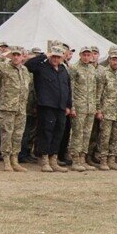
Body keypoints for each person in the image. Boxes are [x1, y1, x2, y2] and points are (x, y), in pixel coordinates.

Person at [25, 44, 73, 173]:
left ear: (62, 58)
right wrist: (44, 55)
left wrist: (69, 105)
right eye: (54, 56)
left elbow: (67, 88)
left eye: (58, 57)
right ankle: (44, 159)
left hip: (61, 107)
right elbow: (28, 65)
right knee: (46, 133)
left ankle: (54, 159)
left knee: (59, 133)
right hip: (46, 106)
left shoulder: (63, 70)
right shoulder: (41, 67)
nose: (55, 59)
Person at [0, 46, 31, 172]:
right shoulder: (4, 67)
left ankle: (14, 160)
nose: (16, 57)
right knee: (7, 134)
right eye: (14, 55)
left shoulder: (25, 70)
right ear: (11, 56)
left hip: (21, 108)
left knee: (18, 135)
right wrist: (2, 56)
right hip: (7, 108)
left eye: (18, 55)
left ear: (23, 57)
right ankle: (6, 160)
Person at [96, 49, 117, 171]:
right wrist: (98, 110)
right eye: (113, 59)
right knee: (105, 137)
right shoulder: (104, 73)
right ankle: (103, 160)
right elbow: (98, 93)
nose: (115, 62)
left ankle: (112, 160)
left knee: (116, 138)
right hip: (107, 112)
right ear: (109, 60)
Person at [68, 46, 100, 171]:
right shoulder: (75, 68)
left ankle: (83, 159)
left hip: (90, 107)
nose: (86, 57)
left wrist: (96, 107)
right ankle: (75, 160)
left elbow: (94, 89)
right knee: (77, 133)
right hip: (79, 106)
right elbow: (71, 89)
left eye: (88, 55)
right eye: (84, 55)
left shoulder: (92, 69)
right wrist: (72, 106)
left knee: (87, 134)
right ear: (80, 55)